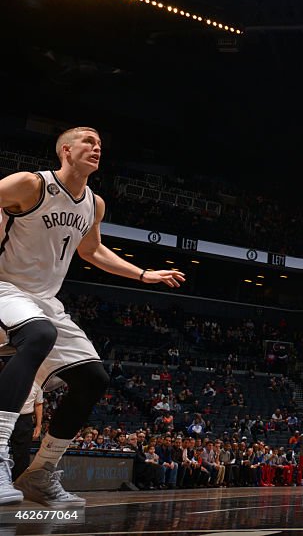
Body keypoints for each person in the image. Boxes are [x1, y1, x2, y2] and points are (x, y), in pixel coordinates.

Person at [0, 127, 184, 507]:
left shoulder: (93, 204)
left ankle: (40, 472)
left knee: (92, 377)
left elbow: (93, 251)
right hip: (4, 286)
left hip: (44, 300)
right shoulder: (30, 185)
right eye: (88, 141)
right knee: (38, 335)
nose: (97, 147)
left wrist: (144, 274)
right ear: (66, 150)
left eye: (100, 143)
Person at [8, 382, 42, 481]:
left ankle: (18, 482)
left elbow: (38, 404)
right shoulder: (6, 377)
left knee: (22, 454)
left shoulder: (37, 383)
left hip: (24, 419)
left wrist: (38, 426)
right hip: (5, 415)